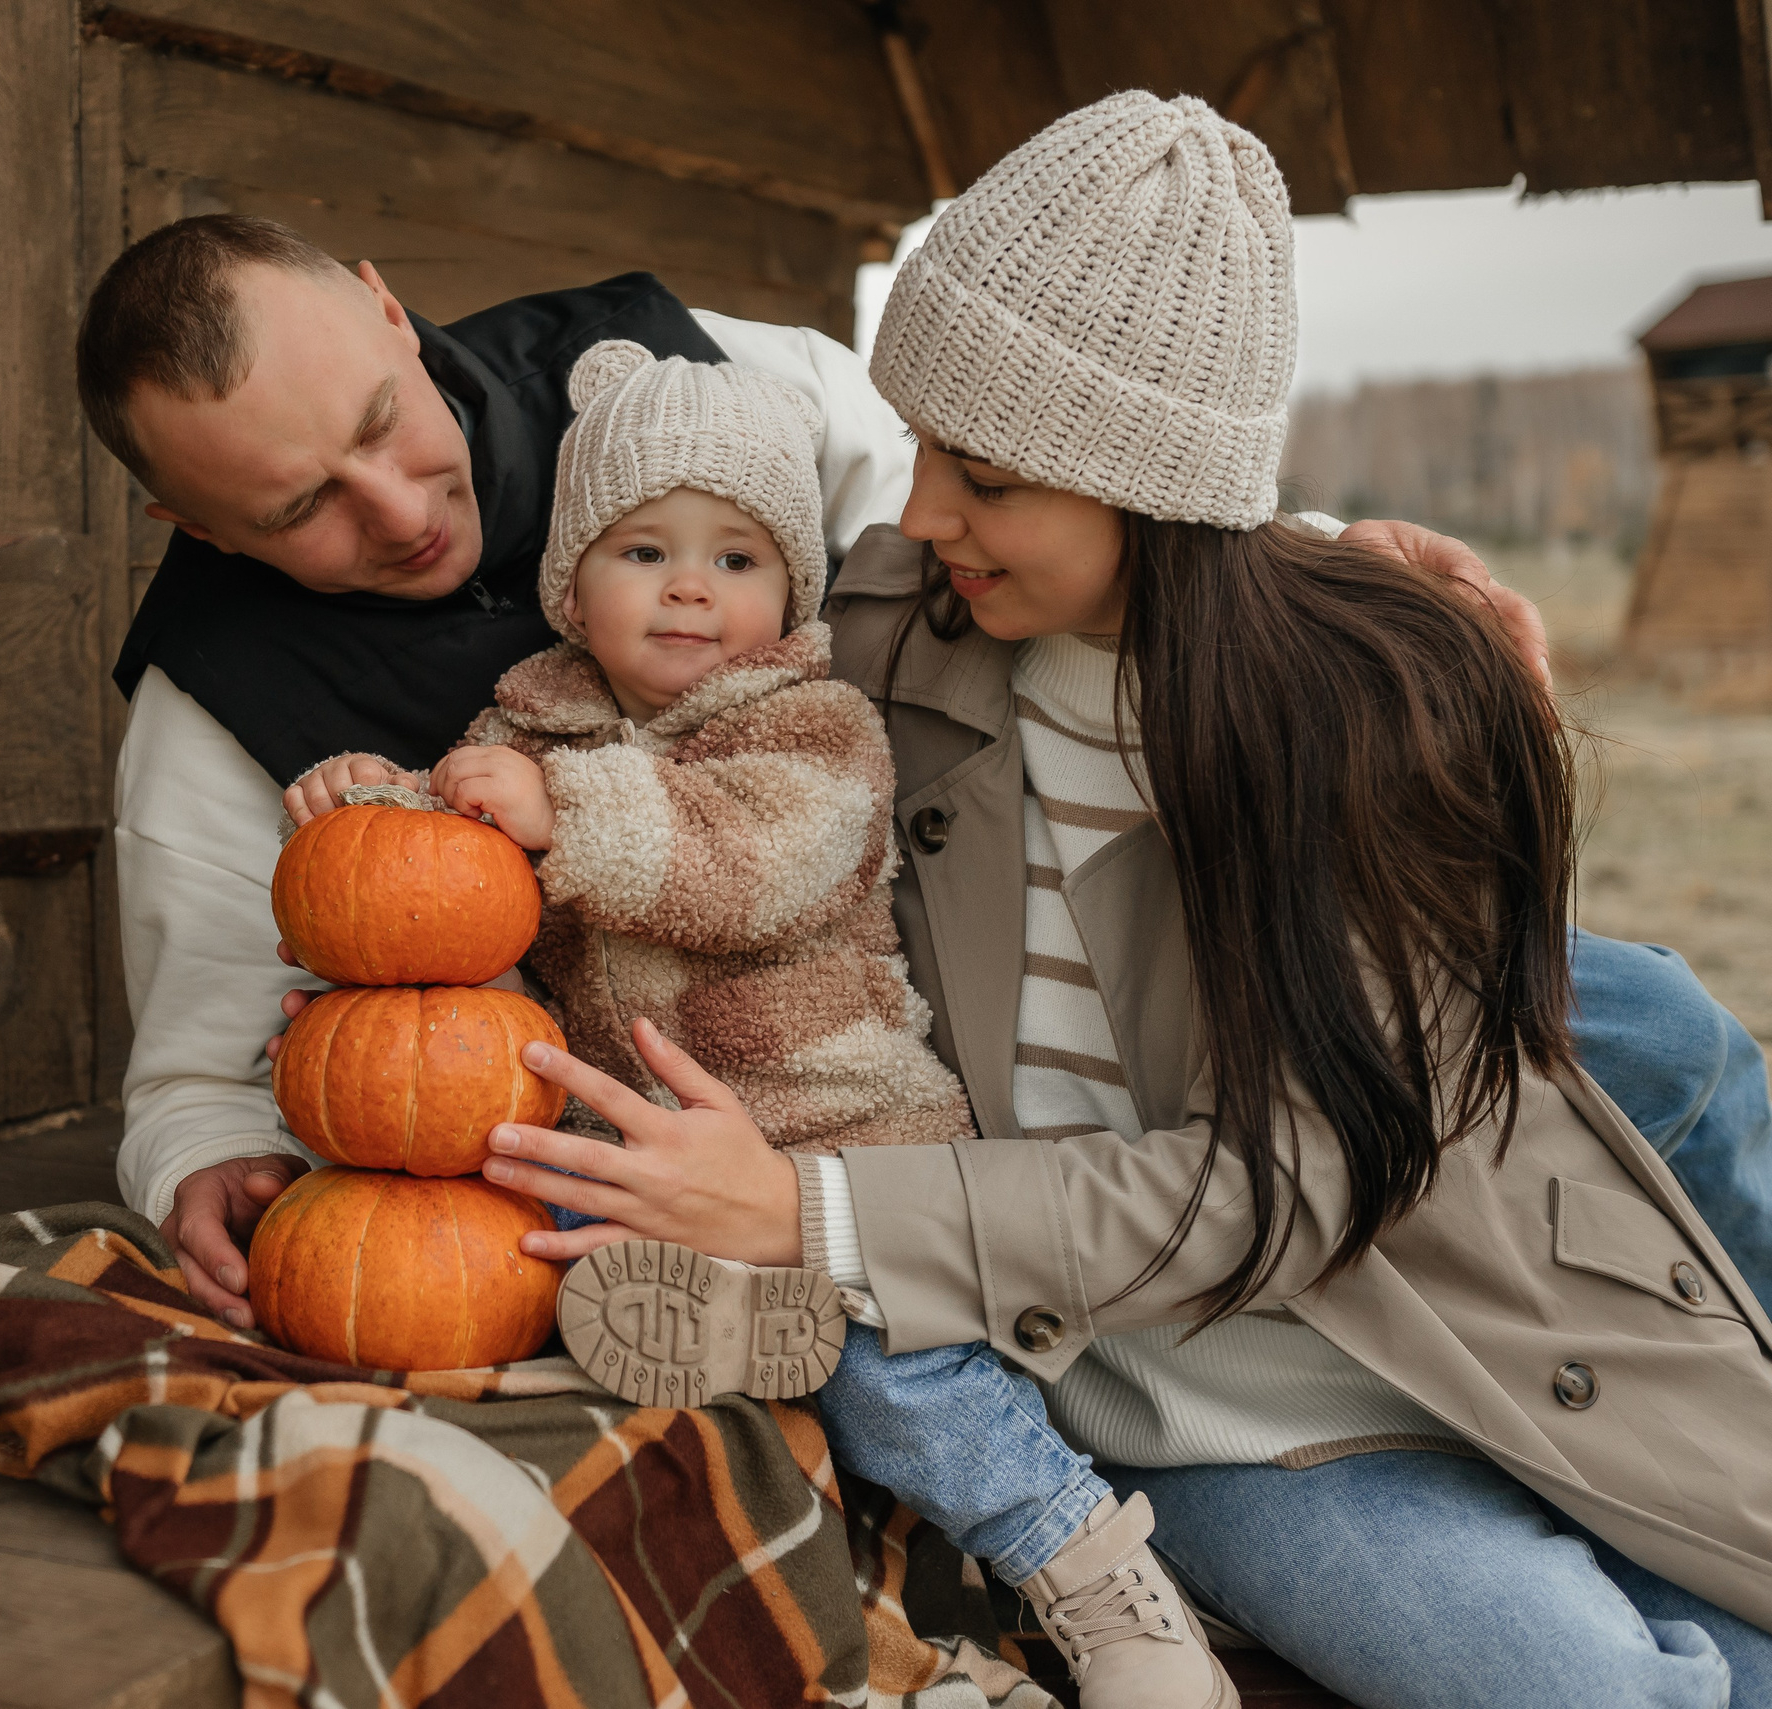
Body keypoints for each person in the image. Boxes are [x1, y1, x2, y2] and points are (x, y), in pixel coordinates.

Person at [478, 93, 1772, 1709]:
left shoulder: (1358, 710)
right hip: (1217, 1416)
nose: (922, 509)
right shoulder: (881, 641)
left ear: (1146, 481)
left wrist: (808, 1213)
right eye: (925, 446)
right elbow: (635, 515)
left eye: (988, 473)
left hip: (1473, 1330)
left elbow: (1288, 1190)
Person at [78, 214, 1772, 1340]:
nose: (395, 510)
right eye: (301, 508)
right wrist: (206, 1157)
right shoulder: (210, 707)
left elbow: (1049, 523)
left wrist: (1306, 559)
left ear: (389, 303)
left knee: (1645, 1029)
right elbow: (199, 1056)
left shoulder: (713, 369)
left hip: (1035, 922)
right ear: (195, 525)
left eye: (386, 419)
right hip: (747, 1114)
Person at [290, 336, 1232, 1707]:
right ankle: (723, 1338)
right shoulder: (529, 726)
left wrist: (569, 813)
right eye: (642, 551)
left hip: (835, 1145)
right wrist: (381, 805)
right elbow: (450, 889)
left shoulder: (814, 725)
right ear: (570, 579)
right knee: (524, 1258)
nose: (689, 586)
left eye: (735, 557)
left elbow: (756, 865)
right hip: (654, 1165)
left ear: (788, 585)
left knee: (890, 1365)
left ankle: (1079, 1552)